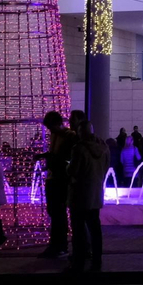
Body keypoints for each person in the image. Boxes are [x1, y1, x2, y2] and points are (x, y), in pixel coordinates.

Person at [67, 111, 109, 273]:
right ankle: (97, 259)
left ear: (80, 132)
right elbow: (106, 169)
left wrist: (67, 166)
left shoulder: (79, 149)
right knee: (95, 229)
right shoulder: (104, 147)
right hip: (95, 193)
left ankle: (78, 262)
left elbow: (73, 170)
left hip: (79, 194)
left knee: (78, 230)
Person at [39, 110, 74, 258]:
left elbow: (66, 157)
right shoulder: (55, 135)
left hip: (61, 179)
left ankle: (61, 245)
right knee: (54, 213)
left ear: (58, 123)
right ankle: (55, 245)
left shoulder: (69, 136)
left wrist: (52, 159)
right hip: (53, 178)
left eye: (51, 127)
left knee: (59, 213)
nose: (50, 131)